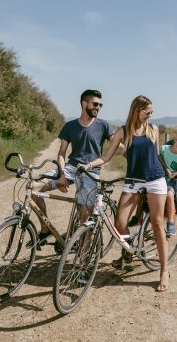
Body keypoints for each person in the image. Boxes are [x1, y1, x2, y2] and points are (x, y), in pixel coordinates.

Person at [79, 95, 170, 292]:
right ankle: (129, 251)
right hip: (133, 181)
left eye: (151, 112)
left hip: (155, 180)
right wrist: (88, 164)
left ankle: (164, 271)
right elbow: (106, 156)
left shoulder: (153, 129)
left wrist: (168, 176)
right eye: (147, 112)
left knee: (156, 224)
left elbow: (155, 156)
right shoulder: (123, 131)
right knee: (120, 223)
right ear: (136, 110)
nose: (150, 115)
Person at [31, 89, 115, 246]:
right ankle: (45, 229)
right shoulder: (70, 126)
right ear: (84, 104)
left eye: (100, 105)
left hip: (91, 173)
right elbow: (61, 153)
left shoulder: (103, 125)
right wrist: (61, 174)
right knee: (34, 188)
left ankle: (83, 261)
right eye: (95, 104)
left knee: (85, 218)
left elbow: (119, 146)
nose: (98, 107)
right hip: (70, 168)